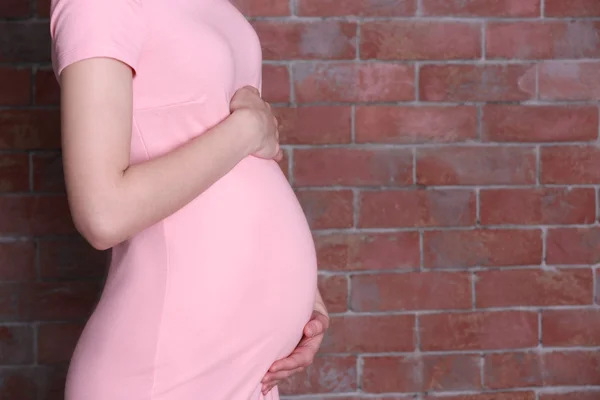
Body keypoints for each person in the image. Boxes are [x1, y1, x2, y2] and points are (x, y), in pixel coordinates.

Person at [50, 0, 330, 398]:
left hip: (246, 370)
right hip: (169, 369)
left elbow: (230, 151)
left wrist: (302, 298)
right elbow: (102, 214)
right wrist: (249, 127)